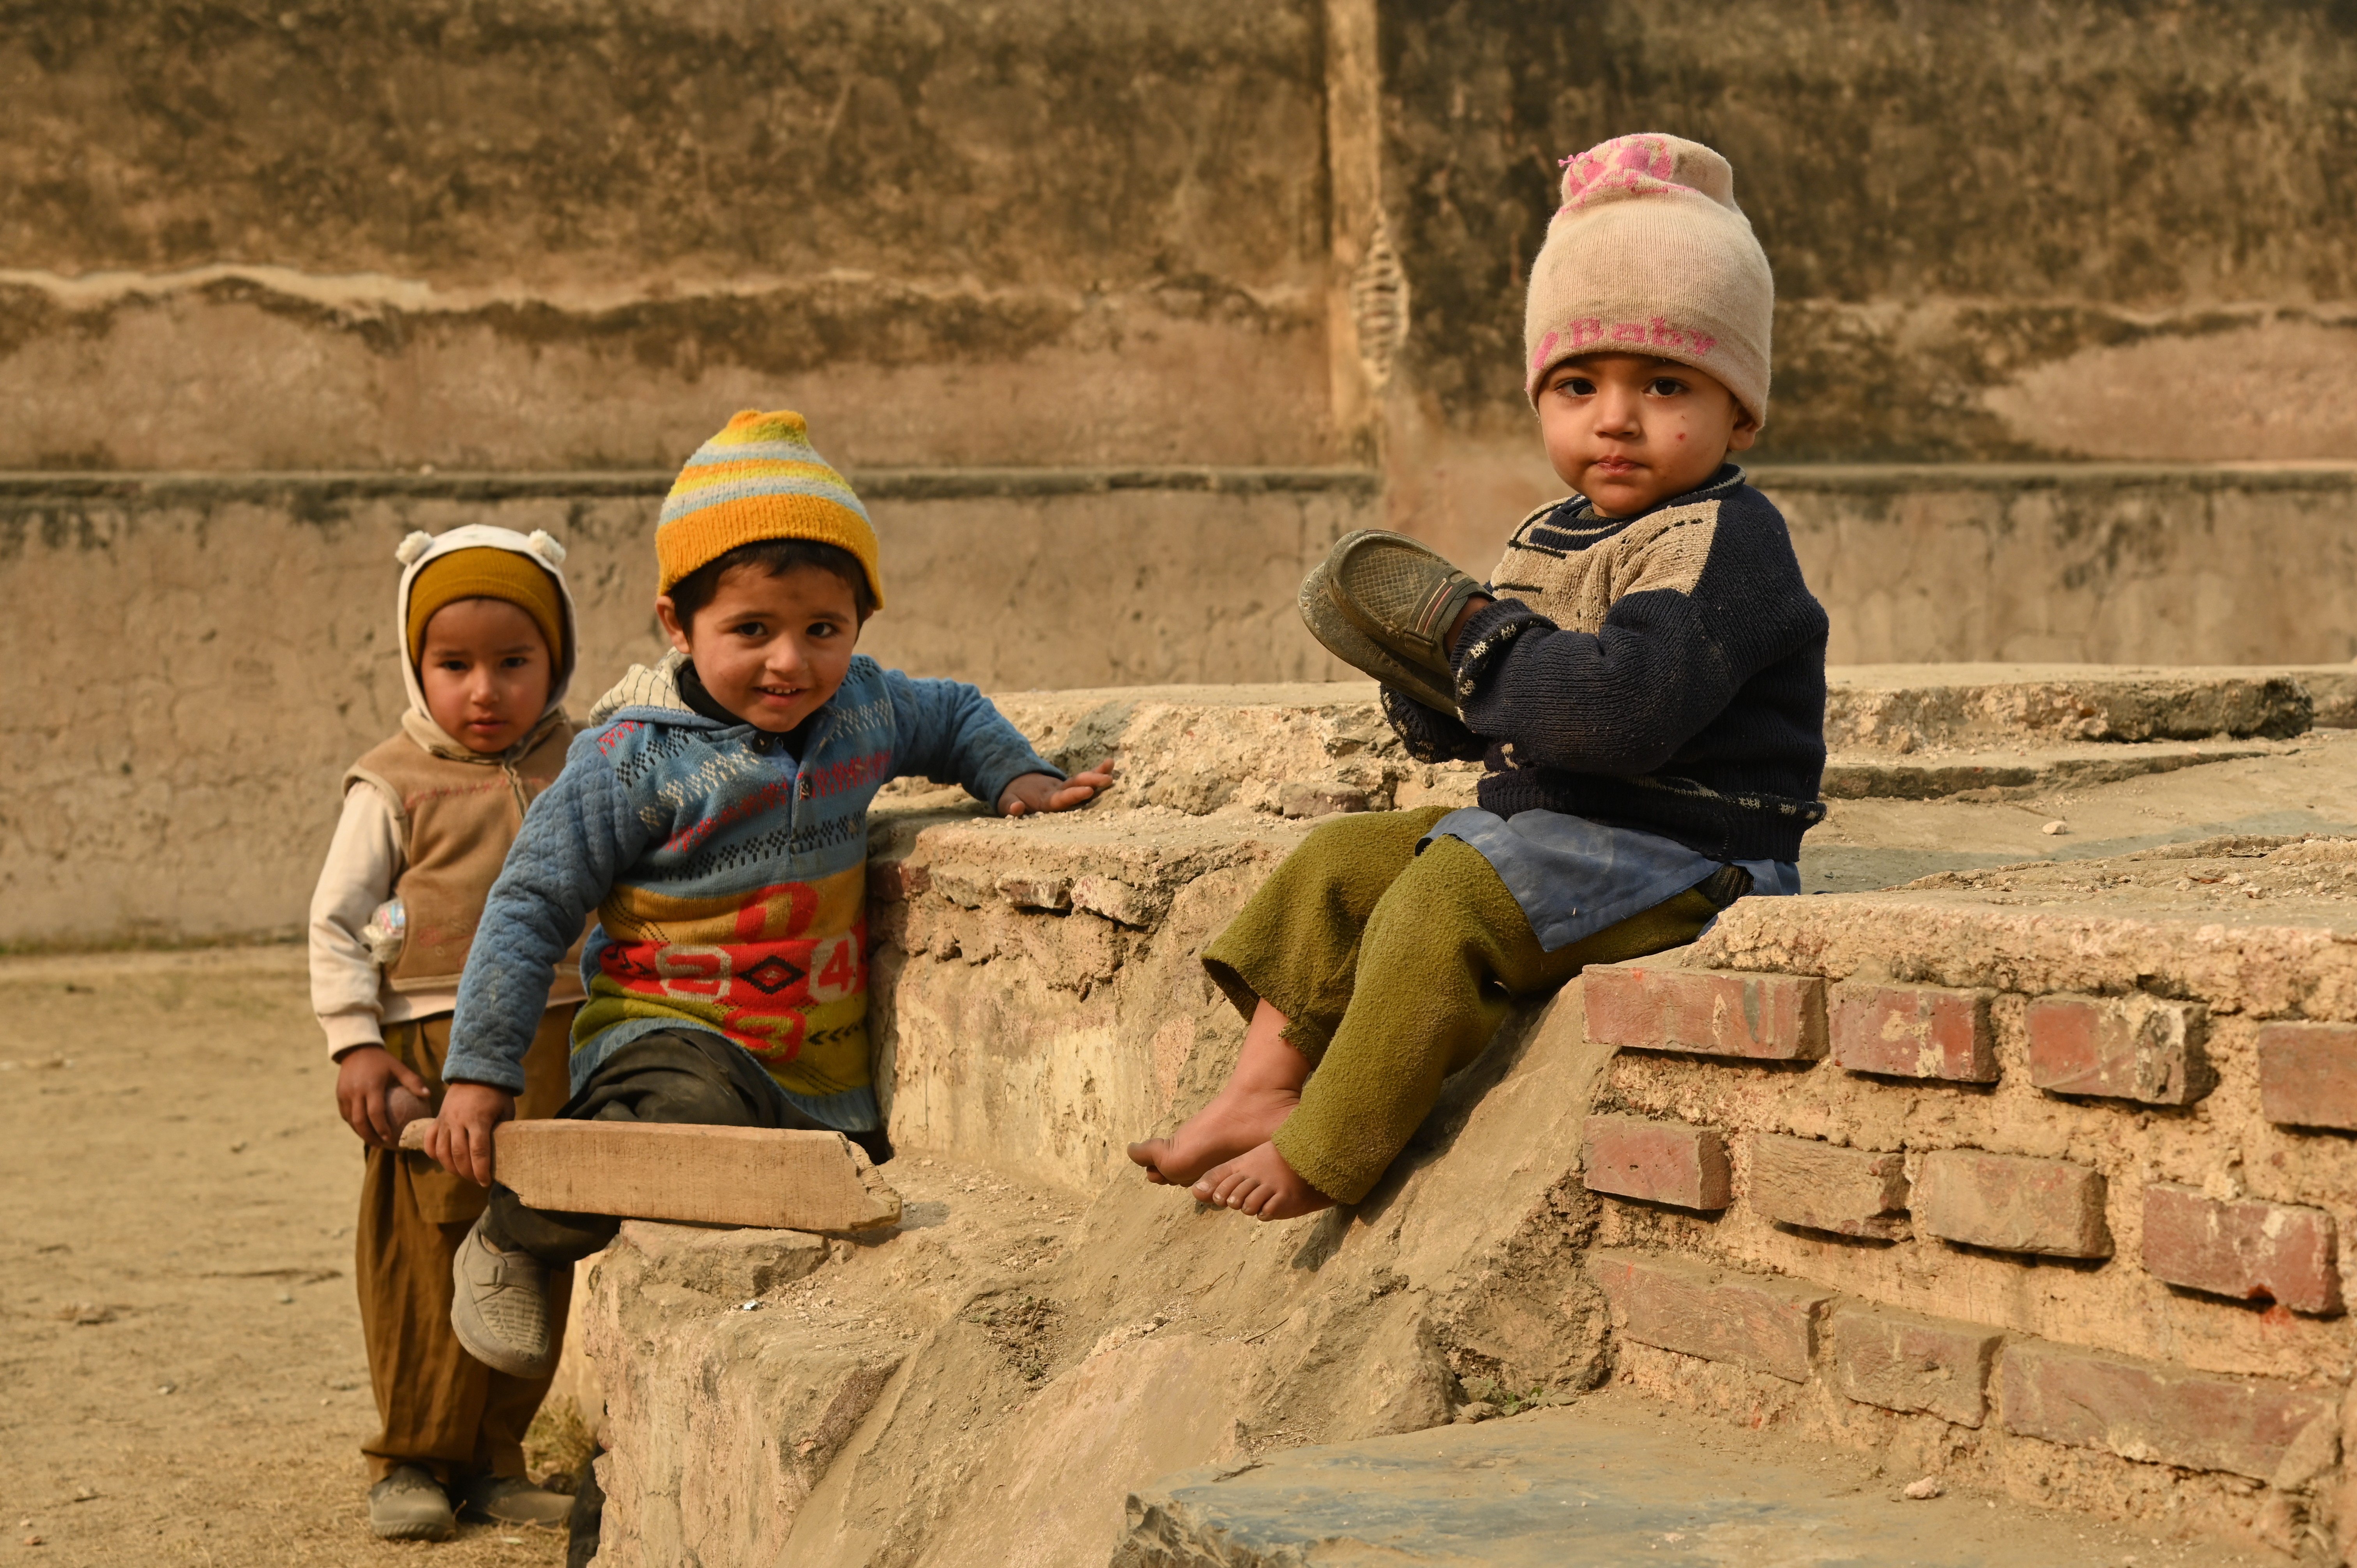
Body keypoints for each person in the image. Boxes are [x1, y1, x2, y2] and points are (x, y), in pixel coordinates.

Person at [1128, 132, 1829, 1221]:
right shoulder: (1552, 532)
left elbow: (1615, 715)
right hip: (1566, 822)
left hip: (1688, 847)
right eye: (1579, 384)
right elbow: (1497, 722)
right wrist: (1432, 675)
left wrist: (1480, 639)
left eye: (1666, 384)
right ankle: (1260, 1090)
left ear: (1740, 408)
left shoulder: (1724, 544)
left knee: (1438, 900)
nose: (1616, 418)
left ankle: (1325, 1149)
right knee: (1336, 866)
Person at [423, 409, 1112, 1377]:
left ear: (860, 623)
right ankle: (514, 1231)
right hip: (666, 1031)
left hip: (815, 1063)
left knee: (830, 1178)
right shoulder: (630, 760)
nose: (792, 661)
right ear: (678, 622)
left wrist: (1014, 775)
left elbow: (952, 710)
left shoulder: (863, 709)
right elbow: (529, 901)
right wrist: (481, 1071)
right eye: (752, 630)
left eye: (822, 629)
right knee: (676, 1122)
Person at [308, 524, 588, 1540]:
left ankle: (495, 1460)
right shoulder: (392, 784)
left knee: (538, 1250)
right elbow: (345, 922)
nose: (484, 690)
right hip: (430, 1047)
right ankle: (414, 1459)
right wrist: (358, 1041)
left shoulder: (588, 764)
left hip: (561, 1041)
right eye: (454, 664)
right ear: (414, 665)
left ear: (556, 661)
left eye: (514, 664)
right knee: (426, 1256)